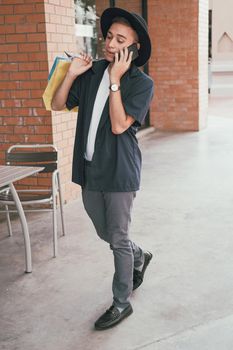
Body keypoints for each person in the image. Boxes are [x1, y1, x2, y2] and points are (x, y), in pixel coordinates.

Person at [51, 7, 154, 330]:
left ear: (134, 49)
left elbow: (120, 124)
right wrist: (71, 73)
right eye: (109, 36)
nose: (110, 44)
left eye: (120, 39)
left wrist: (114, 81)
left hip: (120, 172)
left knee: (118, 238)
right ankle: (140, 255)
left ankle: (121, 302)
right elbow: (57, 104)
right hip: (90, 169)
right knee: (104, 232)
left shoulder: (141, 83)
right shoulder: (92, 72)